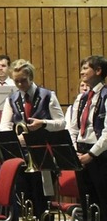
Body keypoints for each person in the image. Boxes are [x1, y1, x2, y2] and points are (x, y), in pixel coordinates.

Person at [0, 59, 66, 218]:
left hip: (43, 155)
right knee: (23, 198)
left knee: (42, 200)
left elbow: (62, 123)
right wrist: (16, 137)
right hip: (21, 157)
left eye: (23, 80)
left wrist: (43, 123)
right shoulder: (12, 99)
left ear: (31, 77)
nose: (20, 85)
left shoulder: (47, 95)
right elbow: (4, 127)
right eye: (16, 81)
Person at [68, 56, 107, 221]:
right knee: (86, 201)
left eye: (86, 68)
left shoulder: (105, 95)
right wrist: (74, 151)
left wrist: (91, 155)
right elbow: (73, 128)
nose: (82, 72)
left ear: (98, 71)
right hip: (81, 154)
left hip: (100, 154)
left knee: (103, 201)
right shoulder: (82, 98)